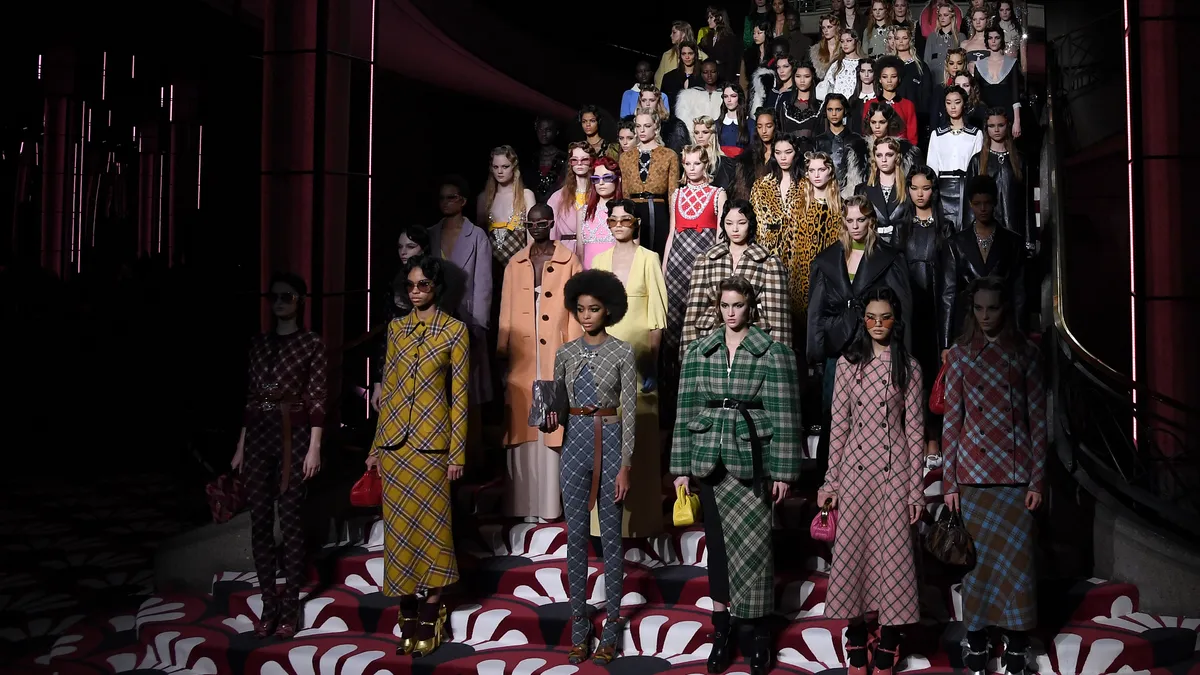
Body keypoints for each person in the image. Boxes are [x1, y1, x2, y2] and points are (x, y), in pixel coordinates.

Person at [671, 276, 800, 675]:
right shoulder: (700, 350)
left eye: (738, 305)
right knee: (720, 549)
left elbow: (785, 414)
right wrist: (679, 468)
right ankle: (722, 630)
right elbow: (686, 408)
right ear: (718, 308)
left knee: (756, 546)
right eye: (725, 305)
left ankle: (759, 635)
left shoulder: (772, 353)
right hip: (709, 456)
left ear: (750, 307)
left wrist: (783, 471)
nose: (731, 312)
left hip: (752, 456)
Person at [942, 276, 1046, 675]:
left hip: (1016, 476)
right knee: (979, 566)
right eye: (979, 308)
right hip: (973, 475)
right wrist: (949, 481)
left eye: (993, 308)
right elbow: (953, 422)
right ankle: (978, 635)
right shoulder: (960, 356)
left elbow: (1038, 420)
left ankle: (1018, 641)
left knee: (1018, 566)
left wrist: (1038, 480)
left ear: (1007, 310)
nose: (986, 316)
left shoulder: (1026, 355)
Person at [819, 286, 925, 675]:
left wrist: (916, 489)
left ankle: (892, 641)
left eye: (885, 317)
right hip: (854, 470)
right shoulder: (849, 364)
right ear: (863, 321)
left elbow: (914, 431)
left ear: (896, 320)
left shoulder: (910, 367)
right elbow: (839, 428)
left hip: (894, 472)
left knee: (894, 557)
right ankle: (857, 637)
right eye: (871, 318)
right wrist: (830, 483)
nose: (878, 324)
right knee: (853, 556)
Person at [367, 257, 469, 657]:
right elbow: (389, 389)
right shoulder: (396, 329)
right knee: (399, 533)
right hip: (395, 447)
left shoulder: (454, 331)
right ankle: (406, 607)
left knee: (435, 531)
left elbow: (459, 397)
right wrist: (376, 447)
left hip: (432, 447)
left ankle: (432, 608)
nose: (415, 291)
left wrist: (457, 452)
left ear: (436, 288)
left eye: (423, 285)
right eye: (410, 285)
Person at [542, 269, 637, 665]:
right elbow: (557, 405)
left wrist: (626, 466)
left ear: (608, 310)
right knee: (575, 537)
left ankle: (612, 626)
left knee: (611, 540)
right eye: (580, 309)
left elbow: (630, 412)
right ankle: (579, 626)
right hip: (574, 447)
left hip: (612, 442)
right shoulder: (565, 352)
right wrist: (549, 418)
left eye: (594, 309)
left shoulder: (623, 352)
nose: (586, 316)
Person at [232, 272, 327, 640]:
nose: (280, 303)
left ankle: (289, 611)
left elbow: (318, 397)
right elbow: (250, 397)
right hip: (258, 434)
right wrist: (241, 445)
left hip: (295, 435)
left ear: (300, 300)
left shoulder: (310, 343)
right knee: (258, 520)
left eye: (287, 296)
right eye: (274, 297)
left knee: (290, 522)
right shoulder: (258, 344)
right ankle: (267, 605)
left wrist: (315, 447)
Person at [497, 205, 584, 521]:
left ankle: (548, 507)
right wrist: (502, 346)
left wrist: (574, 350)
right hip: (523, 355)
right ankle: (522, 506)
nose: (537, 227)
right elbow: (506, 306)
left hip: (553, 353)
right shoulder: (516, 263)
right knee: (520, 425)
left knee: (550, 424)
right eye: (531, 223)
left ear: (551, 224)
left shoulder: (567, 260)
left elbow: (575, 309)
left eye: (543, 222)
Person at [591, 200, 668, 538]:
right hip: (604, 362)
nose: (619, 224)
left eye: (626, 219)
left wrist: (651, 359)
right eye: (614, 219)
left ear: (636, 223)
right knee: (606, 444)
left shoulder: (649, 259)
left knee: (642, 442)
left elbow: (657, 317)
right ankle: (605, 526)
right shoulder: (598, 262)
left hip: (639, 368)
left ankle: (644, 523)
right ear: (608, 224)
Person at [680, 199, 792, 353]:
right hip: (710, 338)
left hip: (753, 340)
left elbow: (779, 319)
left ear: (750, 224)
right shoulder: (706, 260)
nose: (735, 229)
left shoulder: (768, 262)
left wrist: (781, 360)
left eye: (741, 223)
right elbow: (694, 309)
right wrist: (687, 355)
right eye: (729, 223)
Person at [938, 175, 1026, 354]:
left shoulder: (1013, 242)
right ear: (970, 204)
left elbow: (1020, 293)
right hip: (967, 328)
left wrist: (1020, 336)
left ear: (995, 203)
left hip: (1003, 327)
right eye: (977, 203)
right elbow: (948, 295)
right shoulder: (956, 243)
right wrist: (946, 344)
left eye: (987, 202)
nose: (983, 208)